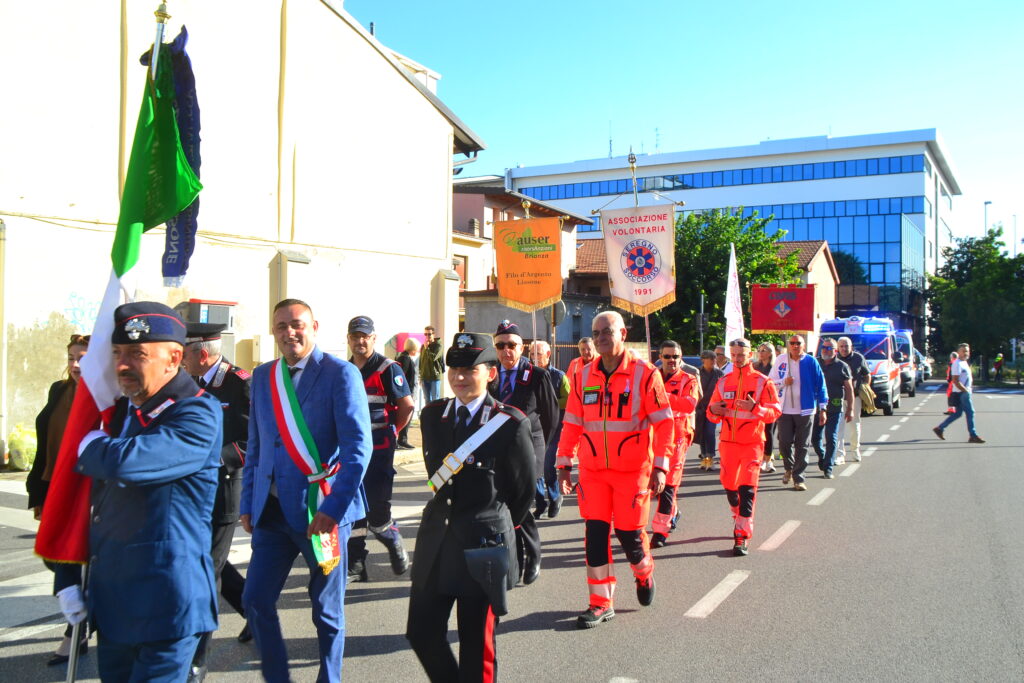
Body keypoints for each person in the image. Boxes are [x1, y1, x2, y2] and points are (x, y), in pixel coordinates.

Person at [72, 302, 221, 681]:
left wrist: (89, 446)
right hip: (113, 602)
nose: (123, 365)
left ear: (174, 357)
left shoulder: (197, 412)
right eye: (118, 353)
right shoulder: (122, 411)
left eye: (137, 354)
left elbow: (131, 463)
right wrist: (67, 574)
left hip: (165, 605)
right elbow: (90, 502)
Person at [241, 299, 372, 683]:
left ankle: (328, 678)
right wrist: (249, 501)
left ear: (314, 326)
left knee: (326, 609)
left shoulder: (340, 374)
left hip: (323, 516)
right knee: (254, 600)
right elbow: (256, 447)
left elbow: (357, 451)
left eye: (296, 324)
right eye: (281, 326)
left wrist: (333, 508)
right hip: (272, 515)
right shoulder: (264, 376)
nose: (289, 333)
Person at [406, 332, 535, 681]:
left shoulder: (510, 423)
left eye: (471, 368)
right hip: (437, 541)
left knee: (477, 649)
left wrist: (499, 527)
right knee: (421, 632)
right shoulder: (433, 416)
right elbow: (438, 477)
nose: (460, 376)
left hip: (482, 546)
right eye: (454, 368)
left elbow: (522, 494)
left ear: (490, 372)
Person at [556, 311, 672, 628]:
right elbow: (572, 423)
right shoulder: (582, 376)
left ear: (623, 332)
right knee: (595, 535)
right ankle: (600, 602)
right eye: (596, 333)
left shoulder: (646, 374)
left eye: (607, 331)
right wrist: (564, 462)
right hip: (593, 471)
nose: (601, 337)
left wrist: (661, 466)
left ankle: (644, 571)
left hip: (632, 472)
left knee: (630, 537)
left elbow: (665, 424)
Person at [182, 321, 253, 673]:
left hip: (225, 490)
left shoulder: (239, 383)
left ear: (203, 354)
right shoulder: (190, 384)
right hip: (194, 492)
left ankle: (197, 657)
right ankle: (255, 612)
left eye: (185, 354)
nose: (181, 360)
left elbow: (252, 440)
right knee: (213, 562)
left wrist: (214, 458)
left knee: (207, 572)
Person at [26, 333, 89, 665]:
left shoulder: (106, 396)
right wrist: (37, 489)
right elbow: (44, 439)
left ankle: (75, 630)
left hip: (86, 491)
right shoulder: (59, 390)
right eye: (71, 358)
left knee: (70, 559)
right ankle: (84, 619)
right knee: (53, 554)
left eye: (82, 357)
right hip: (54, 484)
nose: (75, 365)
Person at [488, 320, 558, 585]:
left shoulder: (537, 375)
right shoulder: (490, 375)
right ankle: (516, 557)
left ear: (522, 347)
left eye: (512, 345)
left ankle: (534, 556)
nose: (507, 351)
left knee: (522, 501)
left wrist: (539, 450)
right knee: (506, 502)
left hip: (530, 446)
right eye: (501, 345)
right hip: (499, 448)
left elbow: (550, 416)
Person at [346, 315, 414, 583]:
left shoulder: (389, 369)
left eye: (365, 336)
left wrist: (392, 431)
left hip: (380, 449)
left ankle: (392, 539)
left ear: (374, 338)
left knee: (377, 512)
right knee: (352, 509)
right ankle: (356, 563)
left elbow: (407, 406)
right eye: (355, 336)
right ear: (349, 339)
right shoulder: (345, 369)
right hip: (351, 451)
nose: (360, 341)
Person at [706, 338, 781, 555]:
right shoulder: (723, 382)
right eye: (734, 354)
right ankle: (738, 516)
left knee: (747, 488)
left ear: (751, 355)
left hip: (752, 443)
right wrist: (714, 411)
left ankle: (742, 534)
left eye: (741, 354)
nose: (737, 358)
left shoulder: (763, 382)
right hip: (728, 444)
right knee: (730, 486)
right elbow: (711, 413)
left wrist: (756, 408)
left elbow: (775, 412)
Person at [651, 340, 699, 548]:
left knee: (668, 484)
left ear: (681, 358)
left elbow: (689, 404)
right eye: (667, 356)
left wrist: (664, 395)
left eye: (675, 357)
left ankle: (660, 531)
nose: (671, 360)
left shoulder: (689, 380)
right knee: (652, 485)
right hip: (651, 437)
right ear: (660, 356)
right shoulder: (651, 376)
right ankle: (674, 512)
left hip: (676, 437)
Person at [769, 334, 827, 492]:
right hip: (784, 409)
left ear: (804, 345)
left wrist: (823, 408)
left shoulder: (811, 361)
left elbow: (821, 385)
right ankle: (789, 467)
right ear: (789, 345)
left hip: (806, 410)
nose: (795, 346)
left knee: (803, 445)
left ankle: (799, 478)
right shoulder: (781, 360)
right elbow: (770, 382)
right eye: (792, 343)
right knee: (784, 442)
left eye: (798, 343)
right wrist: (783, 382)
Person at [529, 339, 570, 519]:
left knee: (546, 466)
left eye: (538, 353)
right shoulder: (528, 375)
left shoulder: (559, 376)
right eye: (531, 354)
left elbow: (568, 400)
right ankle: (540, 502)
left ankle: (554, 497)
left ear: (547, 354)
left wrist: (548, 403)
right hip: (533, 428)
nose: (534, 358)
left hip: (553, 429)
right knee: (534, 467)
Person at [810, 340, 854, 479]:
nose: (826, 350)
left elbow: (849, 389)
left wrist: (850, 409)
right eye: (824, 347)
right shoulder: (816, 363)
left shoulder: (842, 366)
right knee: (815, 438)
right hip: (817, 407)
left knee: (831, 437)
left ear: (835, 351)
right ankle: (823, 456)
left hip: (835, 406)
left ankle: (828, 467)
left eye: (829, 348)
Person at [933, 343, 985, 444]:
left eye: (967, 351)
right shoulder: (957, 364)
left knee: (957, 414)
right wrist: (965, 390)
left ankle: (940, 428)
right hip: (962, 392)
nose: (966, 353)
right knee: (970, 413)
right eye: (963, 351)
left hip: (964, 391)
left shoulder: (964, 362)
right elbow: (955, 380)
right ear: (958, 352)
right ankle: (973, 435)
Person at [836, 336, 870, 463]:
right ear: (838, 348)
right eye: (842, 346)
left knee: (854, 425)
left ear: (851, 347)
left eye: (846, 346)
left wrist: (865, 389)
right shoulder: (834, 359)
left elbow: (867, 375)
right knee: (839, 426)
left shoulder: (858, 358)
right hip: (838, 398)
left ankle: (855, 450)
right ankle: (839, 454)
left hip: (854, 397)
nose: (844, 349)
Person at [696, 350, 724, 471]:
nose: (713, 360)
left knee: (710, 432)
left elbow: (723, 390)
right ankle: (704, 457)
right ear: (703, 360)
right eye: (710, 358)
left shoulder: (719, 373)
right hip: (700, 408)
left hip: (713, 408)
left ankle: (710, 457)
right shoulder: (697, 372)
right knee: (701, 433)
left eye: (714, 358)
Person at [752, 342, 777, 473]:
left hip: (770, 403)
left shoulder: (774, 367)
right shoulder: (755, 366)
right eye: (760, 350)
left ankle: (769, 459)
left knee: (769, 431)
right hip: (757, 402)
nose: (761, 352)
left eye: (764, 350)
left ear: (770, 353)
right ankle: (760, 458)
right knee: (759, 432)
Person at [396, 337, 421, 449]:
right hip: (408, 393)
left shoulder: (404, 357)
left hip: (409, 392)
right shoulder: (405, 359)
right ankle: (402, 439)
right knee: (407, 415)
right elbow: (402, 377)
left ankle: (402, 439)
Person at [420, 325, 445, 403]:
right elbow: (421, 361)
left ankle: (435, 415)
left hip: (435, 376)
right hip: (424, 377)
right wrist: (420, 375)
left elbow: (433, 358)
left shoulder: (439, 345)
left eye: (429, 334)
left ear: (433, 334)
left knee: (435, 400)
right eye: (425, 334)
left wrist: (427, 348)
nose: (427, 336)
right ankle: (428, 415)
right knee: (427, 400)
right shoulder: (423, 346)